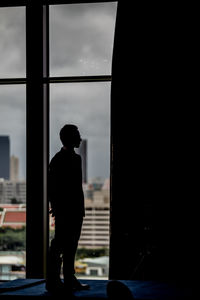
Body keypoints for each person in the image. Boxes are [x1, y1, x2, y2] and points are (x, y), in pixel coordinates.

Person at [46, 124, 89, 294]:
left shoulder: (70, 158)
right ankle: (56, 280)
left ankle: (65, 279)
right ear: (70, 138)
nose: (79, 138)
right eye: (77, 134)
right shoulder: (59, 160)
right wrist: (56, 207)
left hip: (74, 209)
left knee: (70, 245)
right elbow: (53, 187)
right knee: (61, 245)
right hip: (67, 210)